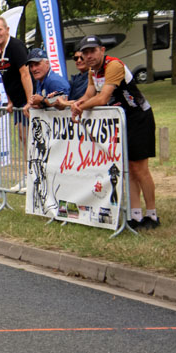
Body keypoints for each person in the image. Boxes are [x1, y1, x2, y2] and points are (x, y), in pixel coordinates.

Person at [70, 35, 160, 230]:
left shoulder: (114, 66)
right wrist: (75, 103)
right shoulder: (93, 71)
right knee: (129, 168)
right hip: (122, 120)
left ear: (102, 50)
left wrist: (81, 106)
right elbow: (88, 95)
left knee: (140, 169)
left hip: (139, 117)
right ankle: (135, 216)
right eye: (85, 53)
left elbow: (102, 99)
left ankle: (152, 215)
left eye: (92, 51)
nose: (89, 56)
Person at [0, 16, 33, 192]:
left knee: (30, 138)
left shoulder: (15, 46)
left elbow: (25, 73)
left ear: (7, 29)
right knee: (23, 138)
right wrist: (10, 101)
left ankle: (33, 176)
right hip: (17, 102)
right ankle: (27, 176)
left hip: (27, 101)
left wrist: (29, 101)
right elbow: (4, 76)